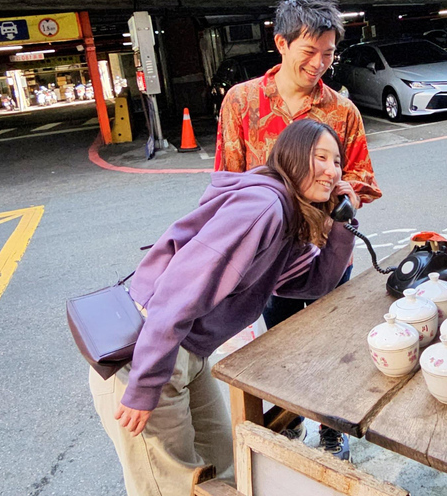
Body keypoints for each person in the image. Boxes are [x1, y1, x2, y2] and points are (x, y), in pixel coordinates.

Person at [90, 120, 358, 496]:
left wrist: (343, 224)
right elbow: (179, 290)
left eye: (337, 162)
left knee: (228, 470)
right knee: (174, 488)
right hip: (146, 354)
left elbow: (313, 282)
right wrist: (145, 385)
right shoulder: (264, 207)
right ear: (293, 156)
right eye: (321, 158)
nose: (332, 171)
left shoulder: (287, 213)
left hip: (188, 352)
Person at [213, 0, 381, 460]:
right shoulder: (242, 102)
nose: (319, 64)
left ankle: (331, 426)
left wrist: (346, 189)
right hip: (269, 256)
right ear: (281, 43)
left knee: (331, 341)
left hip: (329, 249)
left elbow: (364, 176)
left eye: (328, 54)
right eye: (310, 52)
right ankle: (289, 417)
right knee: (283, 342)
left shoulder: (341, 111)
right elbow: (226, 183)